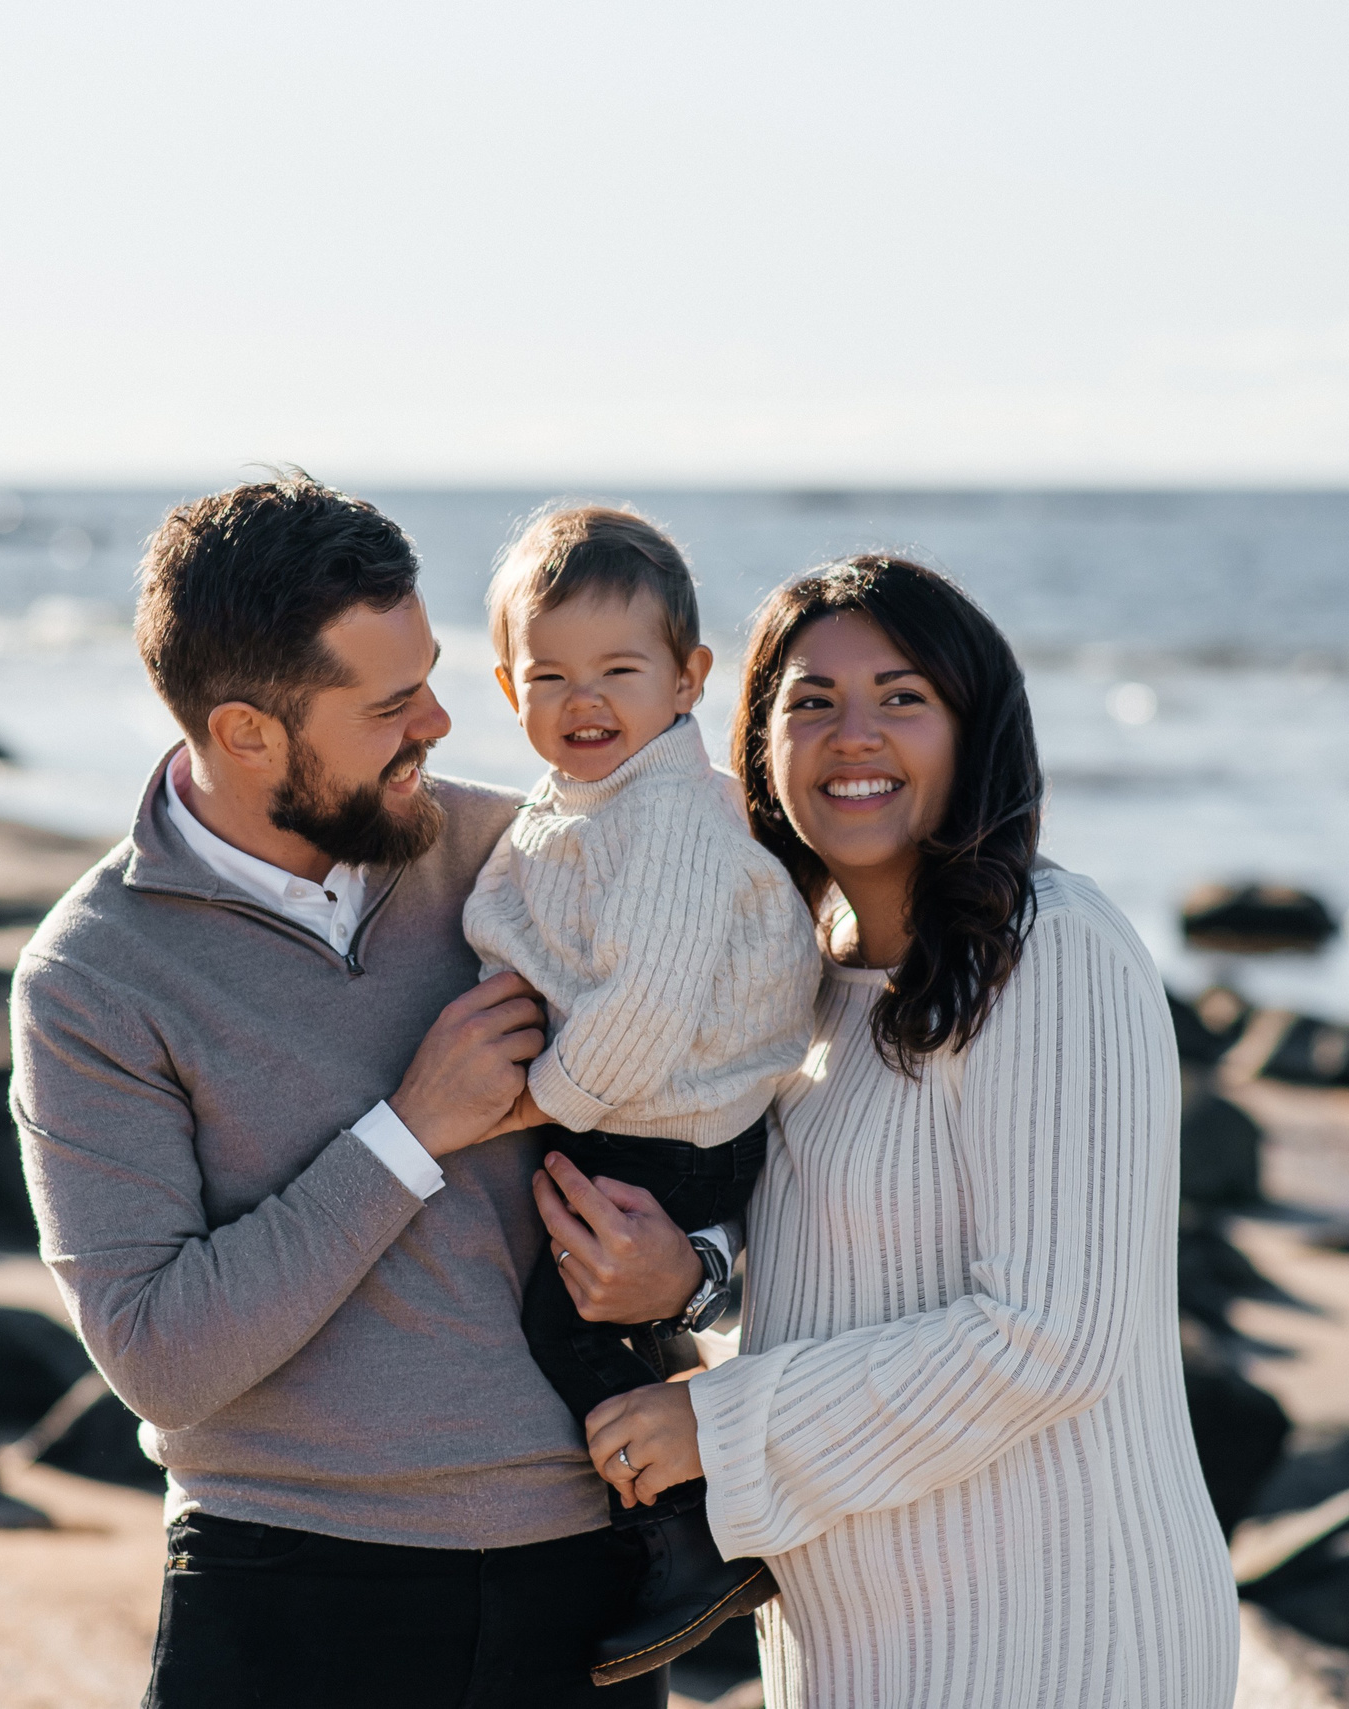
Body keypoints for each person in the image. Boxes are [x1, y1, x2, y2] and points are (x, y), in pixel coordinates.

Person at [537, 555, 1241, 1707]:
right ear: (760, 745)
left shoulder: (1049, 953)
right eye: (809, 702)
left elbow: (1046, 1331)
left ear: (976, 731)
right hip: (864, 1637)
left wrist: (714, 1424)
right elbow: (839, 1271)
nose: (851, 735)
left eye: (901, 697)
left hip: (1058, 1631)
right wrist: (693, 1275)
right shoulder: (803, 978)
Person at [9, 475, 665, 1709]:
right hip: (284, 1596)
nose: (437, 722)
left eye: (429, 673)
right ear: (248, 730)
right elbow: (160, 1354)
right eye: (388, 703)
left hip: (583, 1582)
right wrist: (411, 1130)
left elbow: (722, 1089)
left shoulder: (522, 855)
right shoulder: (93, 976)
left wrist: (697, 1275)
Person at [463, 505, 822, 1684]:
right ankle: (668, 1516)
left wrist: (536, 1098)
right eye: (549, 673)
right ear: (507, 682)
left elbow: (644, 1005)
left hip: (669, 1126)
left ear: (688, 679)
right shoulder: (590, 800)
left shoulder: (666, 816)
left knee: (564, 1324)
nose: (584, 699)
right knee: (602, 1319)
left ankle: (690, 1532)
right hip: (651, 1111)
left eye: (619, 670)